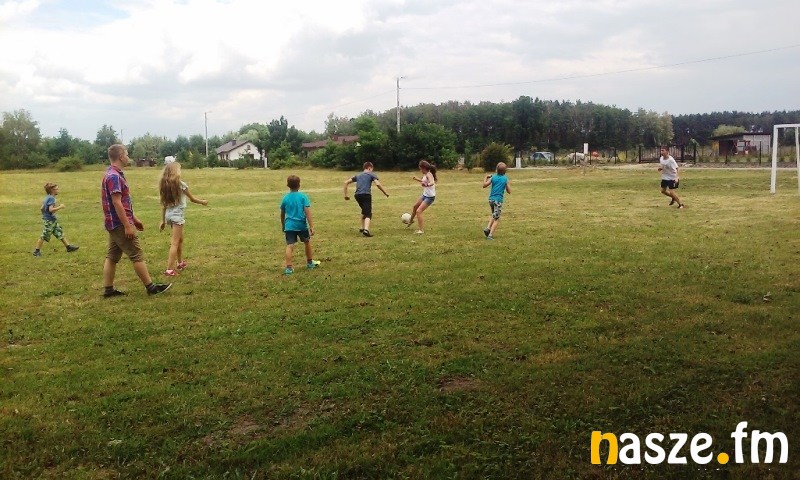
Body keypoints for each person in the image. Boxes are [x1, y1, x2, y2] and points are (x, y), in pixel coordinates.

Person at [101, 144, 171, 297]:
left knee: (112, 255)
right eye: (126, 154)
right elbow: (117, 203)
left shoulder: (112, 173)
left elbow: (123, 202)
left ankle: (108, 290)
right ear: (120, 157)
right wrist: (127, 225)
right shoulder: (114, 176)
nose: (128, 157)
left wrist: (134, 218)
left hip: (113, 223)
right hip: (119, 223)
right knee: (136, 254)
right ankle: (151, 288)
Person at [158, 161, 208, 276]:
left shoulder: (165, 185)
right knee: (175, 243)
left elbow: (164, 205)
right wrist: (203, 202)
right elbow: (192, 199)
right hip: (177, 216)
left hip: (169, 215)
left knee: (180, 239)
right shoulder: (181, 185)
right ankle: (169, 270)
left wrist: (163, 220)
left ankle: (180, 263)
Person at [280, 175, 321, 275]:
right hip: (301, 225)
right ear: (299, 185)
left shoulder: (285, 198)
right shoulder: (303, 197)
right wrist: (311, 226)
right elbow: (307, 212)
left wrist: (283, 225)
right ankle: (310, 263)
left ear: (288, 185)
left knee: (289, 245)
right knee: (307, 242)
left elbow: (282, 213)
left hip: (289, 226)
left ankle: (289, 268)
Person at [343, 161, 389, 237]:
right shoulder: (371, 174)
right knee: (368, 213)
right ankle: (366, 230)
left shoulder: (358, 175)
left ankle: (362, 227)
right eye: (372, 169)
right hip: (366, 195)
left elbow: (346, 182)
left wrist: (346, 195)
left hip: (357, 195)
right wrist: (385, 192)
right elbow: (377, 184)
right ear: (369, 168)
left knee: (364, 210)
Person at [32, 182, 79, 256]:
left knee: (59, 232)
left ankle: (68, 247)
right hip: (50, 221)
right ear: (52, 190)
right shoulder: (52, 199)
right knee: (44, 235)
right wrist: (60, 207)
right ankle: (36, 251)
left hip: (51, 219)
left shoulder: (47, 197)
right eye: (56, 189)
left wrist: (45, 216)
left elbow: (42, 208)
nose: (58, 190)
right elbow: (51, 210)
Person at [482, 162, 512, 240]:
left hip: (491, 200)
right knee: (496, 218)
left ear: (496, 170)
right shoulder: (505, 179)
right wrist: (506, 183)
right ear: (505, 171)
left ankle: (488, 228)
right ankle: (490, 235)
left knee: (494, 214)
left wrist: (485, 177)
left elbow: (484, 185)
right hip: (498, 201)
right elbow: (509, 191)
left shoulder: (493, 177)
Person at [408, 160, 437, 234]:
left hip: (430, 197)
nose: (420, 170)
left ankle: (421, 230)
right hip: (425, 195)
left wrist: (427, 185)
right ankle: (411, 221)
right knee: (415, 207)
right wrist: (417, 179)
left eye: (420, 168)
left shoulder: (429, 174)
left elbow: (432, 182)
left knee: (418, 211)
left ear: (423, 168)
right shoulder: (425, 174)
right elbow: (424, 181)